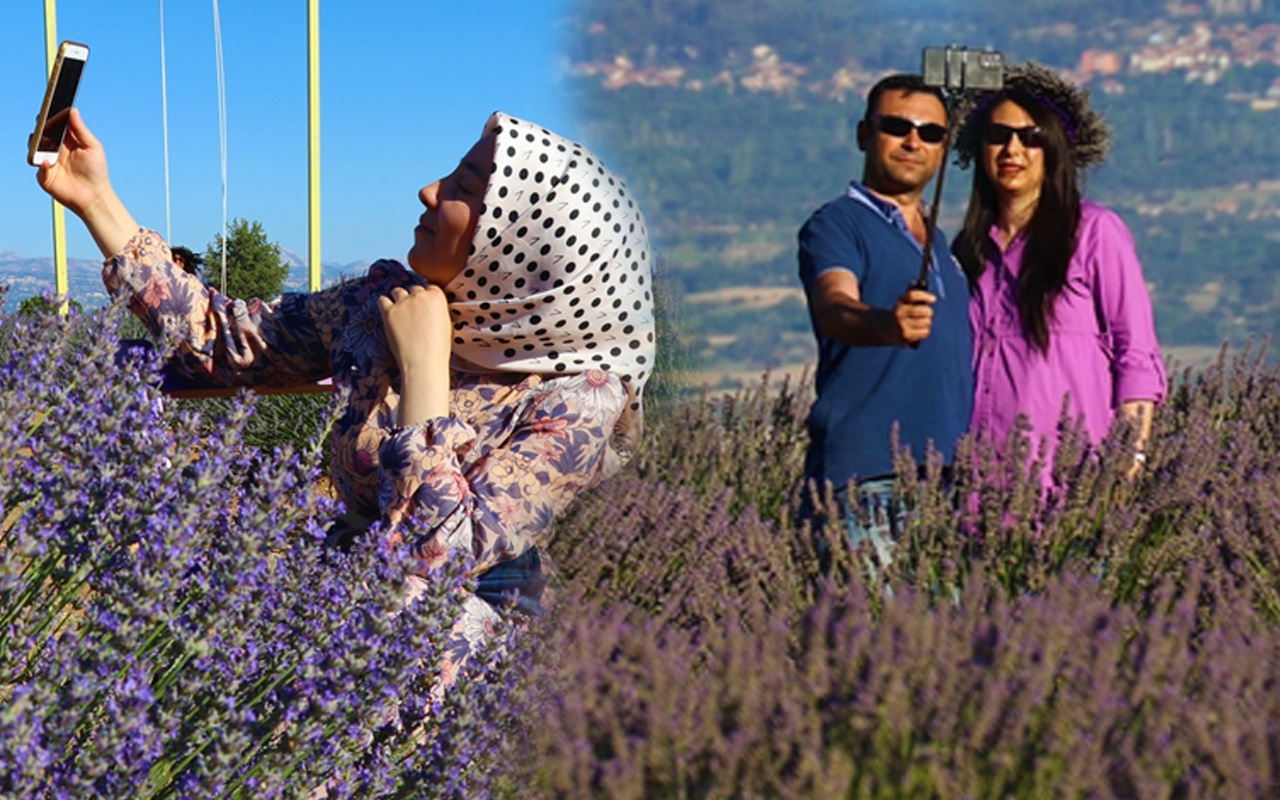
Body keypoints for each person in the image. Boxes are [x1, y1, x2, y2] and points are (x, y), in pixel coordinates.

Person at [35, 108, 656, 677]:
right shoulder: (381, 301)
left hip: (456, 642)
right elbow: (227, 343)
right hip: (343, 586)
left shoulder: (579, 398)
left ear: (525, 249)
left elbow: (435, 560)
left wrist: (424, 373)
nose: (429, 190)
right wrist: (96, 200)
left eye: (465, 188)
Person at [952, 63, 1166, 483]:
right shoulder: (968, 251)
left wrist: (1131, 457)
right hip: (978, 483)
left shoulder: (1094, 233)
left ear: (1054, 149)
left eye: (1030, 138)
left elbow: (1136, 353)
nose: (1013, 150)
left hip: (1071, 479)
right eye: (998, 136)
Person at [797, 74, 974, 555]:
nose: (913, 141)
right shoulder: (837, 225)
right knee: (872, 630)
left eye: (931, 133)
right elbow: (835, 305)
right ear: (864, 135)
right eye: (897, 126)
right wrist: (884, 325)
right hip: (866, 480)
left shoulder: (942, 245)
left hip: (946, 483)